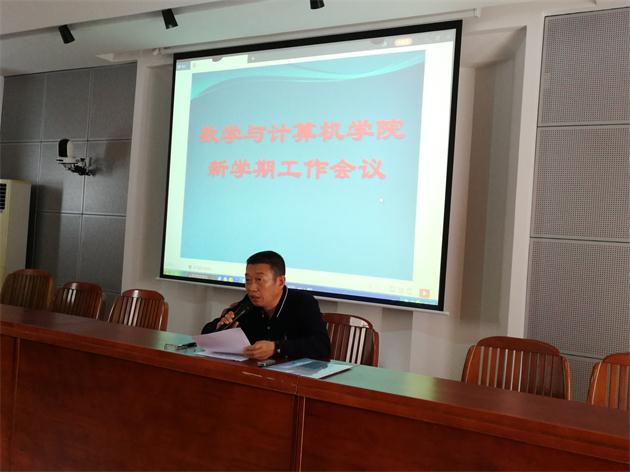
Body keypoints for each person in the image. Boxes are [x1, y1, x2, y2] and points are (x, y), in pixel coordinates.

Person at [201, 251, 331, 361]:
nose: (251, 288)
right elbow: (205, 333)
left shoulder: (302, 302)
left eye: (259, 280)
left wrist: (276, 348)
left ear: (280, 281)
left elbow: (322, 346)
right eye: (248, 280)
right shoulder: (248, 303)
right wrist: (218, 328)